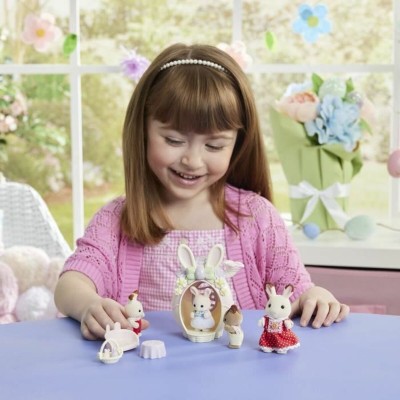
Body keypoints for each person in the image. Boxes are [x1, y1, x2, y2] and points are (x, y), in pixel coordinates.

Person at [54, 43, 349, 340]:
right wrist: (88, 304)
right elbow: (71, 283)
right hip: (144, 364)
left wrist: (315, 296)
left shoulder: (257, 216)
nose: (192, 160)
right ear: (142, 131)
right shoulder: (117, 219)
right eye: (173, 140)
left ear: (237, 144)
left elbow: (296, 289)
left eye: (214, 145)